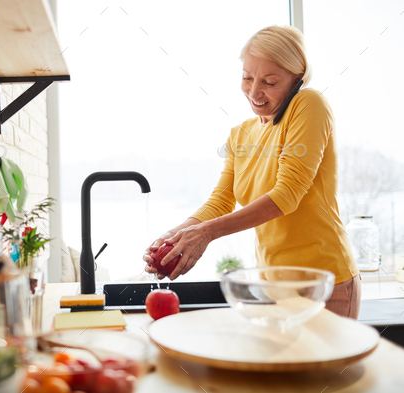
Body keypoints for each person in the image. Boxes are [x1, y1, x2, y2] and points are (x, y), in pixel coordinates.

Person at [143, 25, 361, 319]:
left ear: (298, 79)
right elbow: (221, 200)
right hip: (272, 286)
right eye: (247, 77)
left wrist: (205, 234)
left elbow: (288, 195)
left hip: (324, 284)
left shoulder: (309, 105)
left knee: (323, 367)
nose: (254, 91)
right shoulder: (241, 134)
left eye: (270, 82)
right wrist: (178, 235)